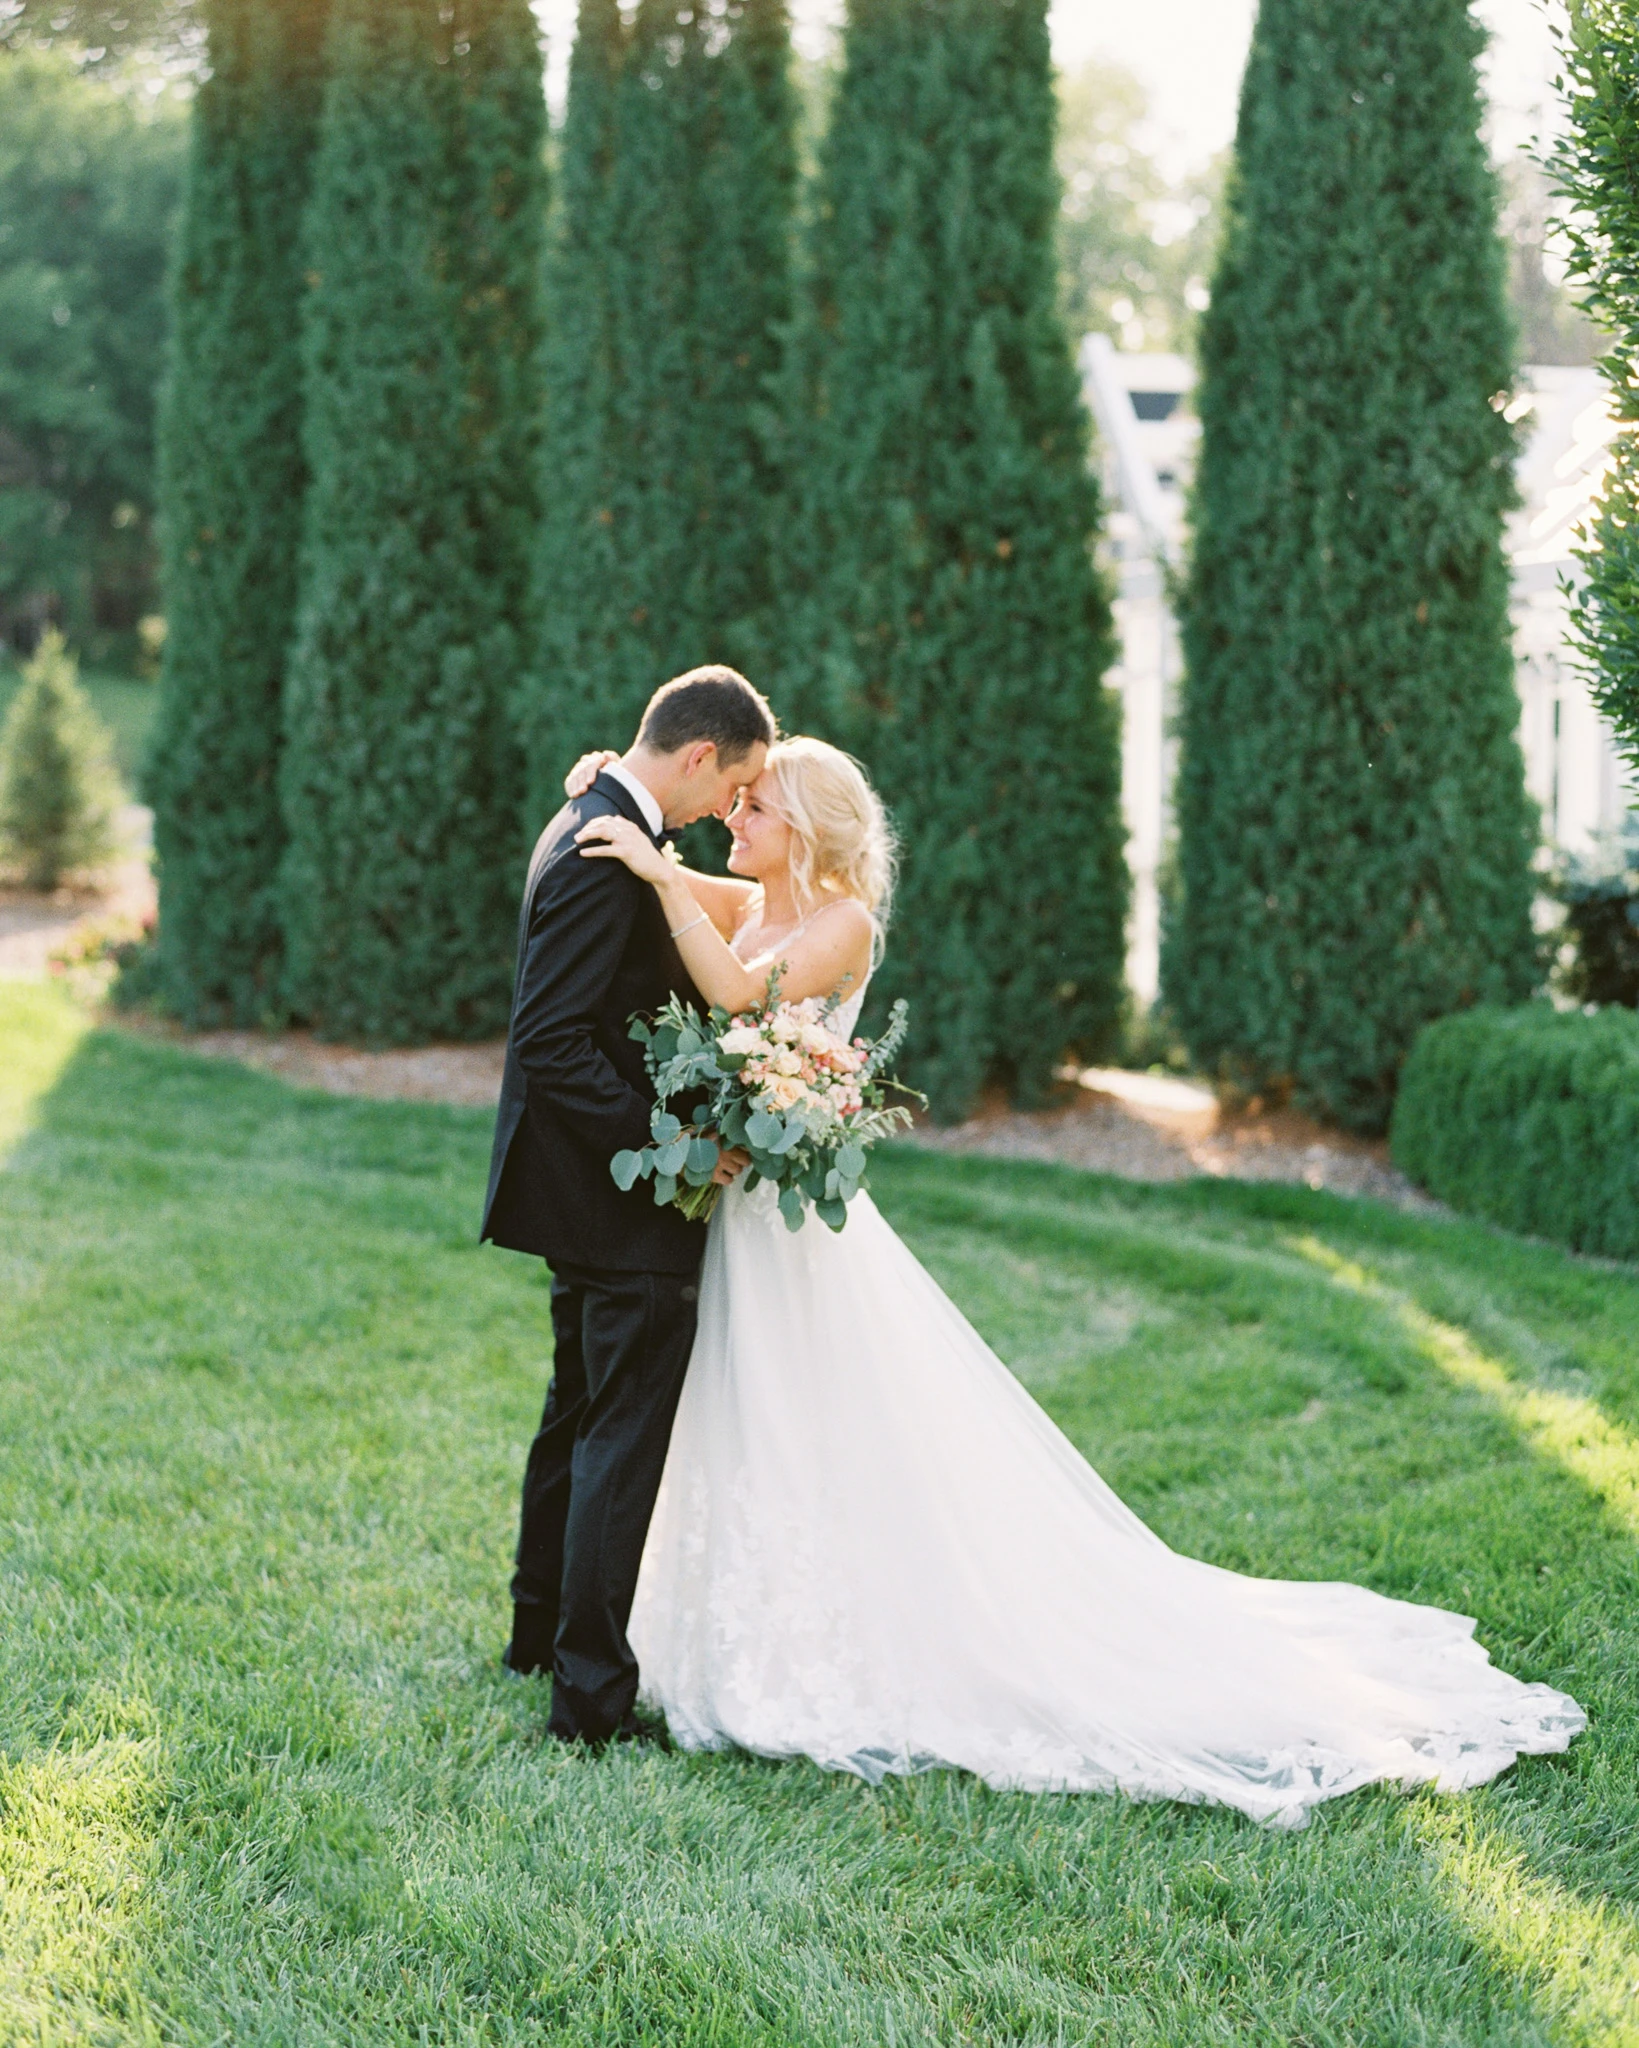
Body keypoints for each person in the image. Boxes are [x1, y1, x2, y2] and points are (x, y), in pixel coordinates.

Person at [565, 734, 1585, 1826]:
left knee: (815, 1417)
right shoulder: (756, 893)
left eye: (755, 804)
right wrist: (621, 800)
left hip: (794, 1239)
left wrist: (660, 867)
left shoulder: (840, 923)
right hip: (745, 1223)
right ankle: (754, 1627)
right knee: (759, 1422)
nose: (733, 815)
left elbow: (726, 982)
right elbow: (688, 880)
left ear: (807, 827)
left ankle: (863, 1637)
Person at [481, 665, 774, 1746]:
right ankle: (590, 1695)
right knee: (617, 1436)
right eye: (728, 785)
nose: (720, 811)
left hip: (570, 1189)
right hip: (621, 1194)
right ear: (697, 754)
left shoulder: (593, 813)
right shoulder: (608, 851)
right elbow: (551, 1041)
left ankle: (537, 1635)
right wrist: (679, 1146)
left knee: (575, 1414)